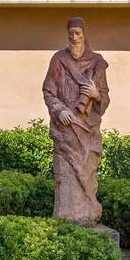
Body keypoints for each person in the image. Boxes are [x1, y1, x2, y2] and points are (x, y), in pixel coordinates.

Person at [42, 17, 110, 225]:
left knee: (87, 175)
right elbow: (48, 92)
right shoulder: (58, 59)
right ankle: (66, 217)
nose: (74, 37)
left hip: (88, 133)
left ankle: (88, 212)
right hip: (65, 131)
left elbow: (105, 98)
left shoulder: (97, 62)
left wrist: (96, 95)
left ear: (84, 34)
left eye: (78, 34)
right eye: (71, 33)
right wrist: (59, 109)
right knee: (66, 177)